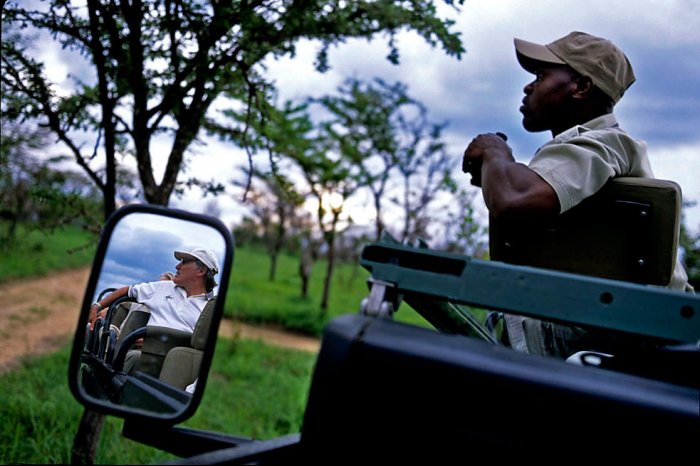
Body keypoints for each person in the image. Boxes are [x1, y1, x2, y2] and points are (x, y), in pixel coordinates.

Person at [462, 31, 693, 357]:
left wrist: (493, 151)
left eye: (541, 76)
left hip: (620, 342)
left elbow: (513, 201)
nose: (528, 87)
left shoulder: (605, 142)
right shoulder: (579, 150)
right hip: (616, 336)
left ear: (582, 87)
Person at [89, 247, 220, 333]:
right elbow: (127, 290)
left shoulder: (209, 308)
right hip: (140, 350)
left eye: (184, 262)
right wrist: (97, 306)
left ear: (201, 271)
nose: (177, 266)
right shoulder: (164, 286)